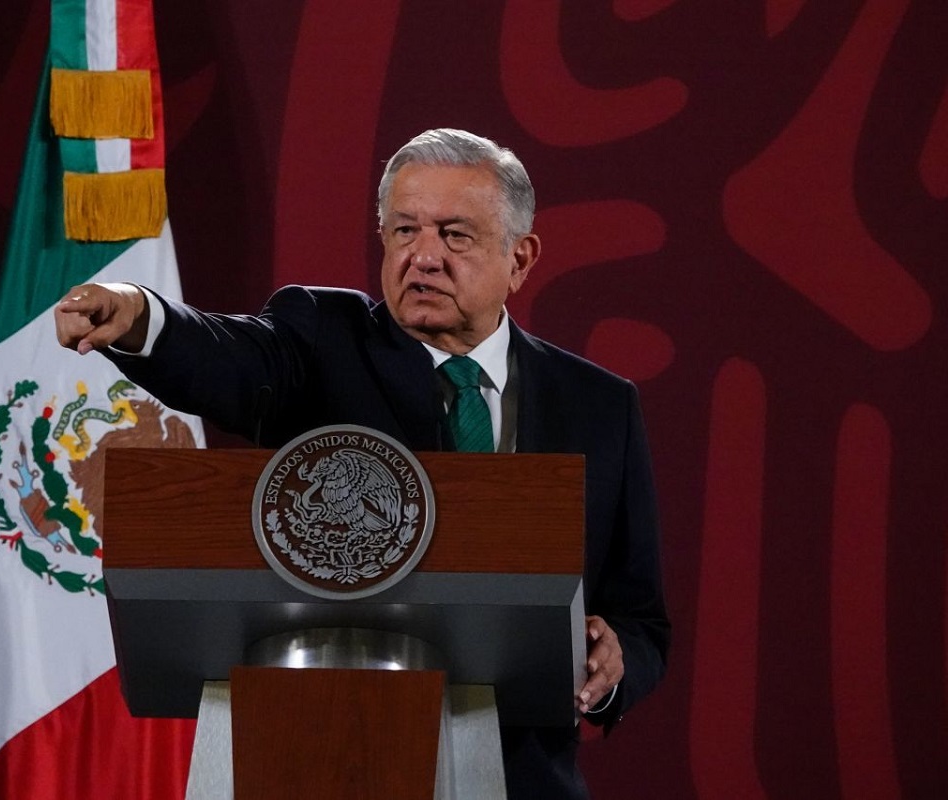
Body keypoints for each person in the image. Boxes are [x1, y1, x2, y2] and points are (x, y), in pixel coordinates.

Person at [55, 128, 669, 798]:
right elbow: (228, 357)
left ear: (520, 258)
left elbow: (640, 620)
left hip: (522, 777)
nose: (423, 257)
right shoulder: (323, 340)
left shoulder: (600, 406)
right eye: (404, 230)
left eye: (454, 235)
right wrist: (144, 318)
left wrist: (615, 663)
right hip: (330, 756)